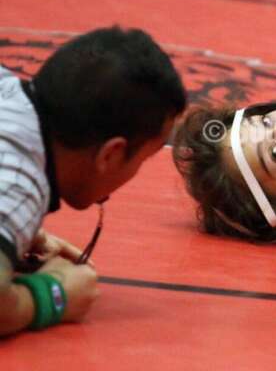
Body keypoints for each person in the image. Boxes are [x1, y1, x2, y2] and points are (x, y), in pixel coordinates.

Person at [0, 26, 187, 336]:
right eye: (143, 159)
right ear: (111, 154)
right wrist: (52, 294)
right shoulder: (18, 184)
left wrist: (16, 234)